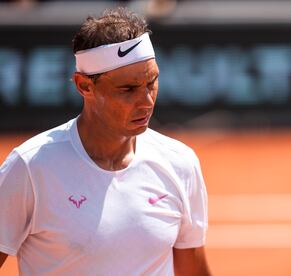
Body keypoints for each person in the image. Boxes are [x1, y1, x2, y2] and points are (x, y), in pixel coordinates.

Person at [0, 7, 210, 276]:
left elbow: (193, 270)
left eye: (152, 82)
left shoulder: (181, 163)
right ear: (84, 86)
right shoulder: (30, 167)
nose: (146, 101)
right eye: (128, 89)